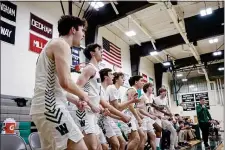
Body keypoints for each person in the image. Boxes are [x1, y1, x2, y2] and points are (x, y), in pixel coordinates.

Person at [30, 15, 89, 150]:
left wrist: (75, 100)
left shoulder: (54, 45)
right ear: (73, 30)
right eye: (82, 30)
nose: (83, 35)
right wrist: (83, 95)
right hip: (51, 108)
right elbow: (66, 83)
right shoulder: (61, 44)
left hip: (45, 107)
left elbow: (57, 87)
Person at [71, 43, 131, 150]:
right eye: (99, 49)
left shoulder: (96, 71)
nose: (102, 51)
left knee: (99, 147)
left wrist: (122, 116)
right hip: (83, 112)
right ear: (92, 53)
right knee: (93, 147)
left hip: (93, 114)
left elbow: (102, 101)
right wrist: (91, 104)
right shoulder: (89, 68)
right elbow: (77, 88)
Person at [99, 69, 139, 150]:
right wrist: (130, 101)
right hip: (103, 119)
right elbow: (117, 107)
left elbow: (118, 108)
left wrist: (121, 117)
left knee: (122, 143)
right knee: (112, 144)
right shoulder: (111, 88)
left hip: (110, 118)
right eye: (122, 77)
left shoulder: (116, 90)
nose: (124, 79)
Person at [108, 74, 143, 150]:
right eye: (141, 81)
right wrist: (138, 118)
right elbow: (130, 106)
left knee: (133, 139)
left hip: (125, 116)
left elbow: (131, 106)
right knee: (136, 139)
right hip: (126, 116)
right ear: (136, 82)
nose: (143, 82)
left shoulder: (120, 91)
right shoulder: (132, 90)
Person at [138, 83, 162, 150]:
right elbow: (139, 110)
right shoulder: (142, 97)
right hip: (142, 119)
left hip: (148, 118)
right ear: (146, 88)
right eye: (151, 87)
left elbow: (149, 110)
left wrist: (156, 115)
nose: (152, 88)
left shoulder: (150, 98)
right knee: (144, 138)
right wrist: (150, 116)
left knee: (153, 136)